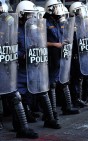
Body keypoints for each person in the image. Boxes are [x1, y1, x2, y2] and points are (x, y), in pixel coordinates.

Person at [16, 0, 61, 129]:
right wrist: (22, 55)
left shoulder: (34, 28)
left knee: (43, 91)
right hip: (21, 68)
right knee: (19, 96)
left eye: (32, 15)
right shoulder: (15, 30)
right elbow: (10, 48)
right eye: (28, 15)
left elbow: (39, 43)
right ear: (21, 15)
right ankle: (21, 126)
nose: (31, 17)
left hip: (35, 66)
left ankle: (50, 119)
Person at [0, 1, 38, 138]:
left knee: (16, 96)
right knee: (14, 96)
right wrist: (20, 54)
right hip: (5, 66)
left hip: (13, 66)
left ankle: (21, 127)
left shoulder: (20, 27)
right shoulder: (10, 28)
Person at [44, 0, 80, 115]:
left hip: (61, 54)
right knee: (52, 83)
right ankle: (52, 111)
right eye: (55, 8)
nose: (58, 10)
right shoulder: (44, 22)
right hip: (51, 55)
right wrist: (55, 44)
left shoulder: (59, 21)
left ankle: (67, 107)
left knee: (63, 80)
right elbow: (39, 41)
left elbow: (62, 35)